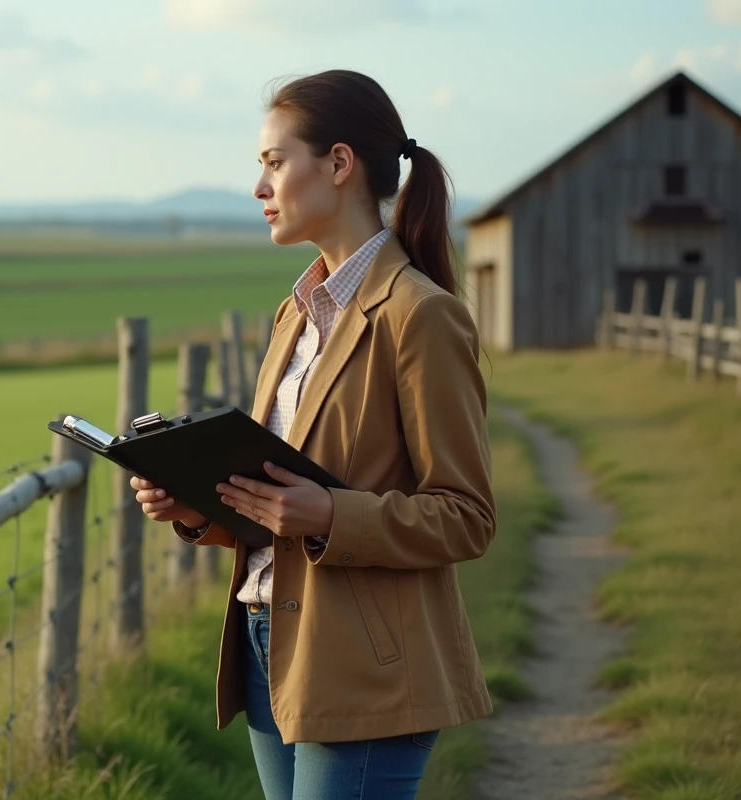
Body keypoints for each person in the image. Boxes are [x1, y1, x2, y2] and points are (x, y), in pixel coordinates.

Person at [130, 69, 497, 799]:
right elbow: (278, 503)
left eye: (273, 162)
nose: (260, 188)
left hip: (368, 667)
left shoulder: (420, 315)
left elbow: (467, 516)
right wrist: (200, 505)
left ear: (338, 164)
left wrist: (333, 515)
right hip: (269, 647)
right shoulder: (295, 313)